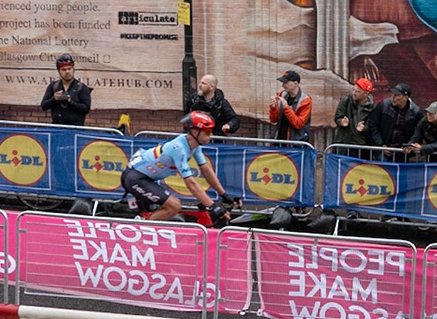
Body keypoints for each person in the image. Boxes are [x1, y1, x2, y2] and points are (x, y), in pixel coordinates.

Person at [74, 111, 233, 221]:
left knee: (165, 208)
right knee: (174, 205)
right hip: (135, 177)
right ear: (194, 131)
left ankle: (144, 225)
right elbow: (191, 183)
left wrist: (224, 195)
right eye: (207, 131)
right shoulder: (179, 148)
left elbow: (206, 170)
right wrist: (213, 206)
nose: (210, 135)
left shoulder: (194, 146)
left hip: (147, 178)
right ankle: (141, 230)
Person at [39, 54, 92, 126]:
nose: (67, 72)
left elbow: (86, 109)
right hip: (57, 127)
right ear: (59, 71)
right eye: (63, 69)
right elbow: (44, 106)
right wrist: (54, 99)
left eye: (69, 69)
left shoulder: (81, 87)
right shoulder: (53, 86)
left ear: (73, 70)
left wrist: (71, 102)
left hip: (75, 128)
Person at [368, 83, 422, 150]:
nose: (393, 97)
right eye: (393, 94)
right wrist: (380, 144)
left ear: (406, 97)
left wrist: (410, 145)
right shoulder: (383, 105)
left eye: (397, 95)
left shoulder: (416, 112)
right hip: (383, 149)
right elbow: (373, 124)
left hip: (403, 152)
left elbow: (420, 132)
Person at [268, 70, 312, 142]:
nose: (283, 85)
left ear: (295, 83)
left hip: (296, 143)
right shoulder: (281, 95)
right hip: (279, 140)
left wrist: (286, 108)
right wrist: (273, 108)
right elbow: (273, 120)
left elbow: (298, 124)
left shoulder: (305, 100)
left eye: (285, 82)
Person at [334, 77, 375, 147]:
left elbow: (373, 127)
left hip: (362, 144)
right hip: (345, 142)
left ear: (366, 93)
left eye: (358, 92)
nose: (354, 93)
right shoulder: (346, 101)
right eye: (353, 90)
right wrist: (341, 121)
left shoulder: (372, 107)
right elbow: (338, 117)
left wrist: (364, 129)